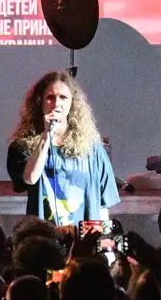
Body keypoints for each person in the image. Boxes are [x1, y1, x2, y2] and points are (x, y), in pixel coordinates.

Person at [7, 71, 120, 226]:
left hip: (83, 242)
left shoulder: (92, 147)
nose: (56, 104)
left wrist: (103, 242)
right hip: (44, 241)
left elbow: (103, 204)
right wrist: (46, 136)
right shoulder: (23, 146)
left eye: (63, 97)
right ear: (40, 102)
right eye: (50, 97)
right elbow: (30, 178)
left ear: (72, 103)